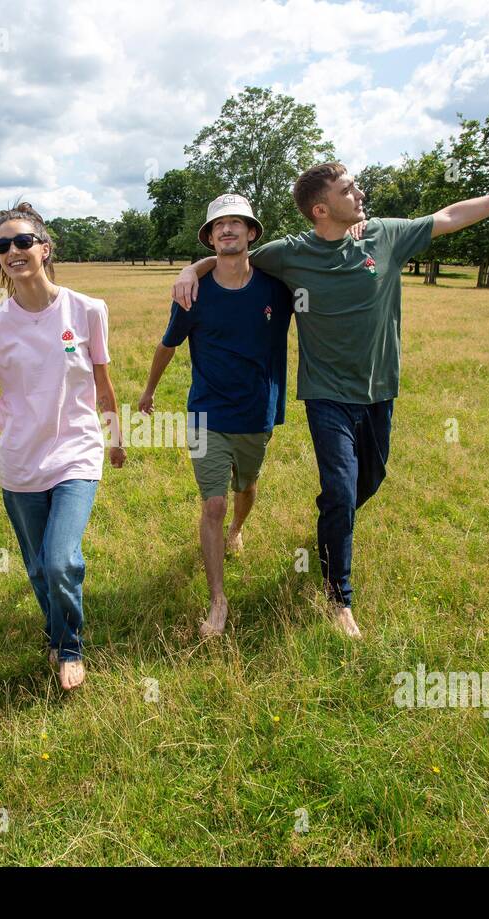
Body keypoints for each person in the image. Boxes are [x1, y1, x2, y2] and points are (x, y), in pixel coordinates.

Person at [174, 161, 489, 638]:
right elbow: (235, 256)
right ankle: (339, 598)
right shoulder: (291, 254)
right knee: (340, 490)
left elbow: (453, 215)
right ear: (322, 209)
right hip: (325, 395)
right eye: (348, 188)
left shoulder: (384, 236)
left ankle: (331, 525)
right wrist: (193, 267)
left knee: (368, 481)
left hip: (380, 392)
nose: (359, 193)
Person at [0, 202, 126, 691]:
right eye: (1, 246)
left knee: (61, 560)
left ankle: (71, 645)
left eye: (21, 242)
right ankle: (55, 633)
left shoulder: (87, 309)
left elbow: (103, 383)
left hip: (77, 452)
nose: (12, 251)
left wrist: (115, 437)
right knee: (38, 566)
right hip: (20, 462)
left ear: (44, 247)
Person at [139, 194, 292, 636]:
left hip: (257, 411)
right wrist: (148, 392)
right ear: (209, 237)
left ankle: (239, 529)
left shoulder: (276, 287)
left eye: (236, 223)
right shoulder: (193, 293)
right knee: (214, 501)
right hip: (206, 412)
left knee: (245, 486)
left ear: (251, 233)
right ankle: (217, 601)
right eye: (219, 225)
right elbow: (167, 345)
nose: (227, 230)